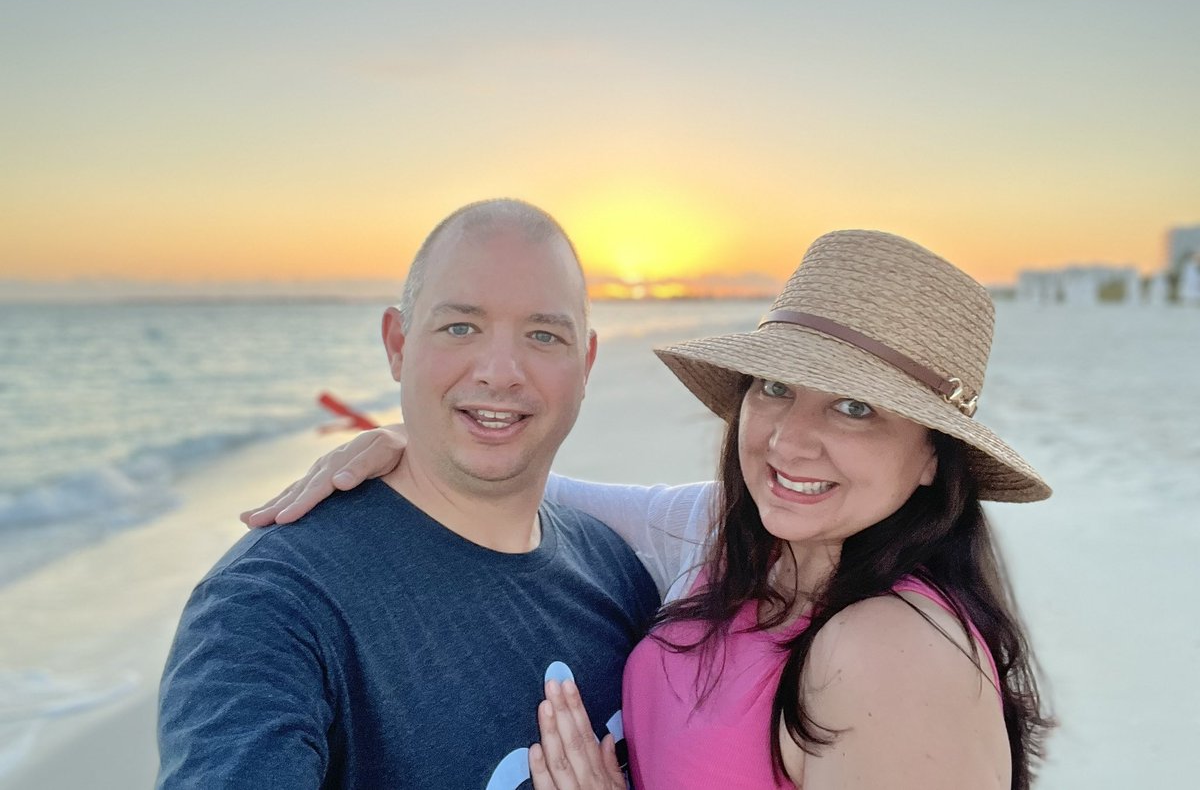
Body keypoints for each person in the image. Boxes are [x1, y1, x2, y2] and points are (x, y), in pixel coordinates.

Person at [249, 229, 1055, 788]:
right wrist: (412, 444)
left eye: (854, 409)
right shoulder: (735, 539)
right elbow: (534, 492)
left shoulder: (892, 651)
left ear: (934, 457)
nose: (790, 439)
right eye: (776, 387)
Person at [158, 199, 660, 789]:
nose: (500, 371)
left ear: (586, 362)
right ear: (397, 344)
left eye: (544, 335)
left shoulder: (616, 570)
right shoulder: (272, 605)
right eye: (460, 328)